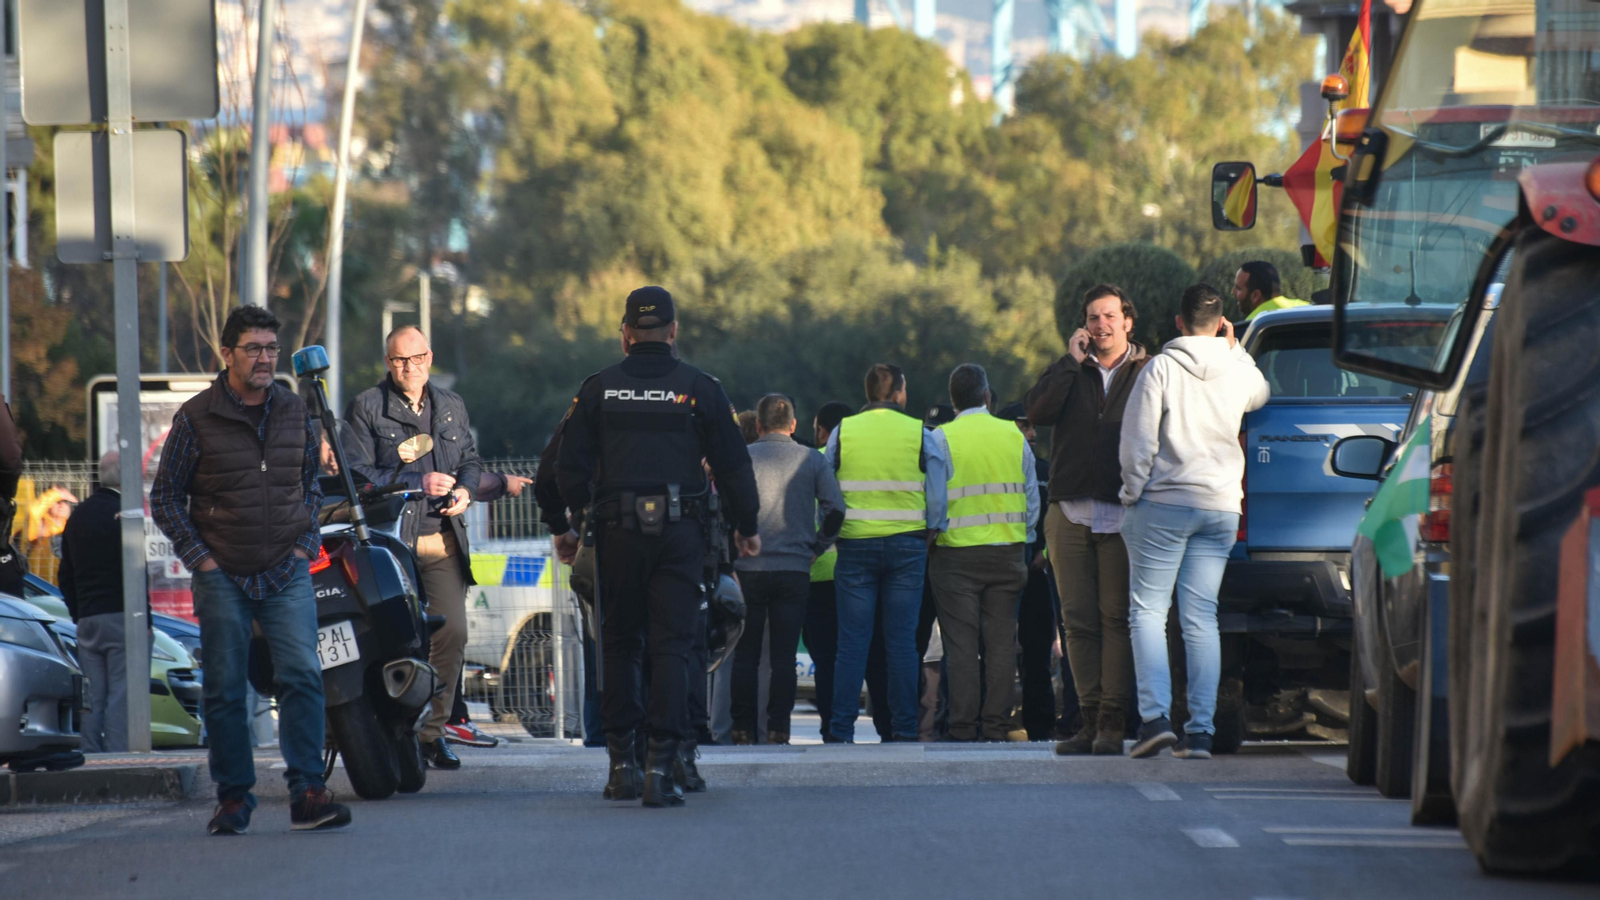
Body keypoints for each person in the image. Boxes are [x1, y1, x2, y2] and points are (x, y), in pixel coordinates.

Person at [150, 304, 351, 835]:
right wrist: (202, 559)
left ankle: (308, 792)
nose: (265, 359)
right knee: (224, 689)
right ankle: (234, 798)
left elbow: (310, 486)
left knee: (302, 675)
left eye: (271, 349)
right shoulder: (196, 417)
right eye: (253, 349)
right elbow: (165, 497)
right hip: (223, 574)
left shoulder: (294, 411)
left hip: (286, 569)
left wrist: (305, 544)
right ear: (227, 354)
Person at [557, 286, 760, 807]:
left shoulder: (599, 388)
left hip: (616, 533)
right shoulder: (701, 388)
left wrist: (577, 518)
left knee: (620, 645)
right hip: (679, 534)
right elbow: (734, 466)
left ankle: (621, 767)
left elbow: (567, 465)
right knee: (673, 646)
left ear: (626, 334)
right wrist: (747, 524)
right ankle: (660, 769)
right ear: (673, 331)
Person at [1120, 284, 1270, 759]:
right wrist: (1237, 349)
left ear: (1178, 322)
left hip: (1164, 503)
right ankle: (1201, 733)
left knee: (1148, 612)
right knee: (1201, 616)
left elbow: (1138, 442)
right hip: (1220, 506)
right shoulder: (1237, 369)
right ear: (1222, 324)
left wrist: (1130, 494)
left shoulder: (1160, 369)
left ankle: (1155, 720)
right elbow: (1261, 393)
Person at [345, 324, 483, 771]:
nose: (410, 367)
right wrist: (415, 481)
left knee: (452, 633)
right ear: (388, 363)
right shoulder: (367, 407)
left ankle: (432, 732)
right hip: (389, 544)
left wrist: (466, 490)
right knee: (396, 640)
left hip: (443, 539)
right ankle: (392, 727)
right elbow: (356, 475)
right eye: (401, 360)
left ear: (430, 357)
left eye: (418, 357)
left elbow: (470, 460)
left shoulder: (451, 405)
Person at [1024, 284, 1150, 757]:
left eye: (1110, 316)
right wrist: (1068, 362)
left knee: (1116, 618)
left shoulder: (1148, 370)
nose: (1102, 325)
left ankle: (1113, 721)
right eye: (1093, 318)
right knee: (1077, 622)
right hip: (1070, 511)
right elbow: (1036, 411)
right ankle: (1088, 719)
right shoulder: (1070, 369)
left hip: (1124, 511)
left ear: (1128, 321)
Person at [824, 364, 949, 743]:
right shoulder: (919, 432)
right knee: (902, 644)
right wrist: (931, 531)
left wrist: (832, 534)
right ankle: (904, 729)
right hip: (908, 547)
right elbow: (938, 494)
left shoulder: (843, 431)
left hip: (855, 546)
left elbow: (826, 488)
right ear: (898, 393)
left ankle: (841, 730)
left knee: (851, 644)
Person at [926, 366, 1037, 742]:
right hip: (1007, 553)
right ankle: (995, 726)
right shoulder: (1014, 436)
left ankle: (962, 727)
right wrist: (1024, 539)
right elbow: (1032, 498)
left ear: (954, 400)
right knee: (1001, 644)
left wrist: (932, 540)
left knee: (961, 646)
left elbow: (935, 501)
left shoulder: (941, 438)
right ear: (987, 396)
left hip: (955, 557)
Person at [730, 394, 845, 745]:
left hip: (748, 568)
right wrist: (817, 548)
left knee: (745, 656)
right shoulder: (812, 459)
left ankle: (742, 729)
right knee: (783, 657)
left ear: (759, 425)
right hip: (795, 569)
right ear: (793, 425)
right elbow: (836, 510)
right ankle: (778, 729)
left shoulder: (741, 458)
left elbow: (723, 508)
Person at [60, 451, 146, 753]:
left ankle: (91, 753)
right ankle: (118, 755)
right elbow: (137, 569)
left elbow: (65, 574)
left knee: (93, 695)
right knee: (122, 692)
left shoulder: (77, 515)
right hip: (122, 614)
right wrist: (145, 618)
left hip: (88, 618)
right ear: (125, 477)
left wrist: (78, 613)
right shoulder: (125, 515)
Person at [997, 402, 1071, 741]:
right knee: (995, 649)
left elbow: (1061, 518)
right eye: (1023, 425)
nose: (1032, 433)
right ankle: (992, 722)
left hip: (1039, 572)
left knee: (1038, 651)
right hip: (1001, 569)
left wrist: (1044, 553)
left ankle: (1040, 726)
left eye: (1033, 427)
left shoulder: (1046, 470)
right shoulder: (995, 469)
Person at [1234, 261, 1308, 321]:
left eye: (1238, 288)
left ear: (1255, 295)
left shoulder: (1254, 323)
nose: (1233, 292)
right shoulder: (1306, 308)